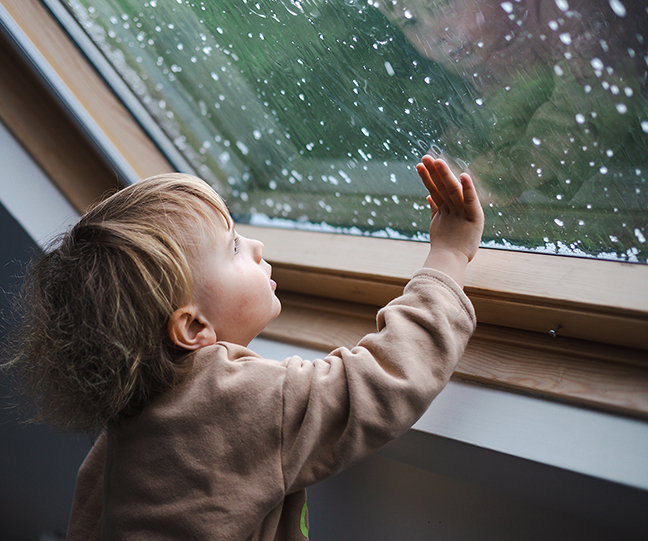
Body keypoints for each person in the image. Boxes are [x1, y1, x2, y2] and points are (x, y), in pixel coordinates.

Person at [7, 157, 483, 540]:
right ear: (192, 327)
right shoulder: (235, 402)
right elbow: (378, 382)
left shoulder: (129, 418)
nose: (255, 245)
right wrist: (448, 257)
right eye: (232, 247)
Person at [380, 0, 648, 205]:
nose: (433, 35)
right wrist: (462, 152)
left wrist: (517, 170)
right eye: (411, 22)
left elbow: (595, 94)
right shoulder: (479, 50)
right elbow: (506, 100)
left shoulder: (563, 9)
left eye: (442, 3)